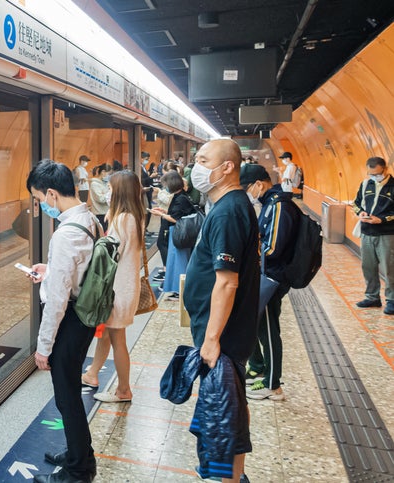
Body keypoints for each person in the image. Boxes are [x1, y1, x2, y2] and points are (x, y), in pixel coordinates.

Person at [183, 139, 259, 483]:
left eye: (202, 159)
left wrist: (211, 339)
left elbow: (227, 282)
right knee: (228, 407)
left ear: (227, 166)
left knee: (224, 411)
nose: (195, 166)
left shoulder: (228, 211)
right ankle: (234, 475)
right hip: (223, 330)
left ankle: (227, 478)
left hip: (223, 336)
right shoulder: (226, 205)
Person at [27, 160, 98, 483]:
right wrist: (50, 270)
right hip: (83, 315)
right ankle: (76, 454)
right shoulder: (89, 219)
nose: (42, 206)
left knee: (67, 398)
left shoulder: (65, 234)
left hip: (69, 321)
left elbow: (56, 300)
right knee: (68, 394)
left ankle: (78, 471)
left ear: (52, 194)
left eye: (40, 200)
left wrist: (43, 347)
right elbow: (74, 273)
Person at [82, 171, 145, 404]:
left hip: (117, 289)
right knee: (106, 334)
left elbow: (109, 255)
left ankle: (123, 390)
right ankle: (92, 374)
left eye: (110, 188)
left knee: (118, 339)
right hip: (127, 287)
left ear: (119, 191)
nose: (107, 191)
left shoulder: (121, 220)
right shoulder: (135, 216)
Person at [239, 164, 299, 400]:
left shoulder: (280, 206)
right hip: (266, 274)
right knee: (256, 323)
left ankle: (273, 385)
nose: (248, 192)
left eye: (248, 188)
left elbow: (273, 247)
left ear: (259, 184)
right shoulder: (270, 203)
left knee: (268, 329)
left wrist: (251, 253)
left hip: (273, 277)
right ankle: (258, 368)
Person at [353, 156, 394, 315]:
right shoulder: (365, 184)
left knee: (389, 268)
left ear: (385, 170)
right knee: (368, 267)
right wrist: (361, 213)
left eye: (377, 174)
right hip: (367, 232)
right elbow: (356, 204)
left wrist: (382, 219)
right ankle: (372, 297)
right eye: (371, 174)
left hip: (387, 234)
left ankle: (391, 300)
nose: (374, 177)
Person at [150, 171, 196, 299]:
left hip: (179, 233)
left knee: (178, 261)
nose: (165, 187)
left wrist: (161, 214)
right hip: (179, 233)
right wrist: (164, 211)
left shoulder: (180, 198)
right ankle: (177, 288)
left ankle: (179, 289)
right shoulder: (181, 196)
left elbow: (176, 218)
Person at [89, 163, 112, 231]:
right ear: (103, 172)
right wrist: (109, 194)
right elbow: (100, 199)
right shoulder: (94, 184)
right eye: (109, 174)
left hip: (106, 212)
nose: (109, 176)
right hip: (100, 213)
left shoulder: (105, 183)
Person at [140, 152, 155, 235]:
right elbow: (143, 180)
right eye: (146, 159)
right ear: (141, 158)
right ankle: (144, 229)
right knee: (146, 210)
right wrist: (150, 177)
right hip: (144, 192)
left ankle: (145, 228)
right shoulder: (139, 168)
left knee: (148, 209)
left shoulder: (144, 167)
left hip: (148, 191)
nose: (147, 161)